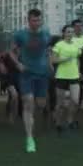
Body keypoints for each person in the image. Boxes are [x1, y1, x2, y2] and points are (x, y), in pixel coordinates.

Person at [10, 9, 51, 153]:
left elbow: (48, 51)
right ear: (28, 20)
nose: (36, 23)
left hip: (42, 74)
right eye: (34, 20)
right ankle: (30, 138)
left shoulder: (46, 34)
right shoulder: (20, 35)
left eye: (38, 20)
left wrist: (50, 64)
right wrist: (18, 64)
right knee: (28, 102)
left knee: (41, 103)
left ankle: (41, 113)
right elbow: (11, 51)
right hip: (26, 73)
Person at [51, 25, 80, 135]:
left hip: (74, 76)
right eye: (68, 32)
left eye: (72, 32)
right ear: (64, 33)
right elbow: (53, 60)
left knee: (75, 101)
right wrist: (64, 59)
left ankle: (70, 120)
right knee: (60, 104)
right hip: (62, 76)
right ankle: (58, 123)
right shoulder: (59, 45)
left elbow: (77, 59)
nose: (70, 34)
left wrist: (78, 70)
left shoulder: (76, 45)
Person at [0, 50, 21, 124]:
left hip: (19, 79)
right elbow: (0, 60)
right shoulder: (7, 54)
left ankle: (17, 114)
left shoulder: (23, 54)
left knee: (17, 97)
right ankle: (10, 114)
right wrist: (2, 67)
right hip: (9, 79)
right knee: (14, 95)